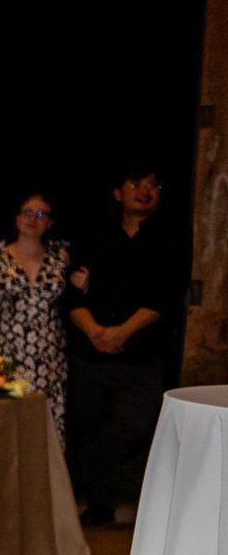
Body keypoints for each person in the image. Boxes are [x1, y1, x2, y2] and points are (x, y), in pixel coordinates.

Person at [64, 163, 182, 524]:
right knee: (91, 424)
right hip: (89, 354)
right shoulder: (93, 238)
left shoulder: (170, 241)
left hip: (140, 356)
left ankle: (86, 469)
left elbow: (164, 297)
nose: (145, 190)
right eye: (136, 183)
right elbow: (70, 295)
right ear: (118, 193)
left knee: (136, 422)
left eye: (153, 185)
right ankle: (100, 506)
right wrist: (96, 332)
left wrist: (120, 334)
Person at [0, 193, 71, 440]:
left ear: (49, 223)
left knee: (46, 431)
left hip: (49, 359)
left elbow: (74, 301)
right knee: (4, 430)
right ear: (17, 218)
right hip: (5, 356)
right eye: (28, 212)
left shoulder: (61, 257)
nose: (33, 219)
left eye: (41, 214)